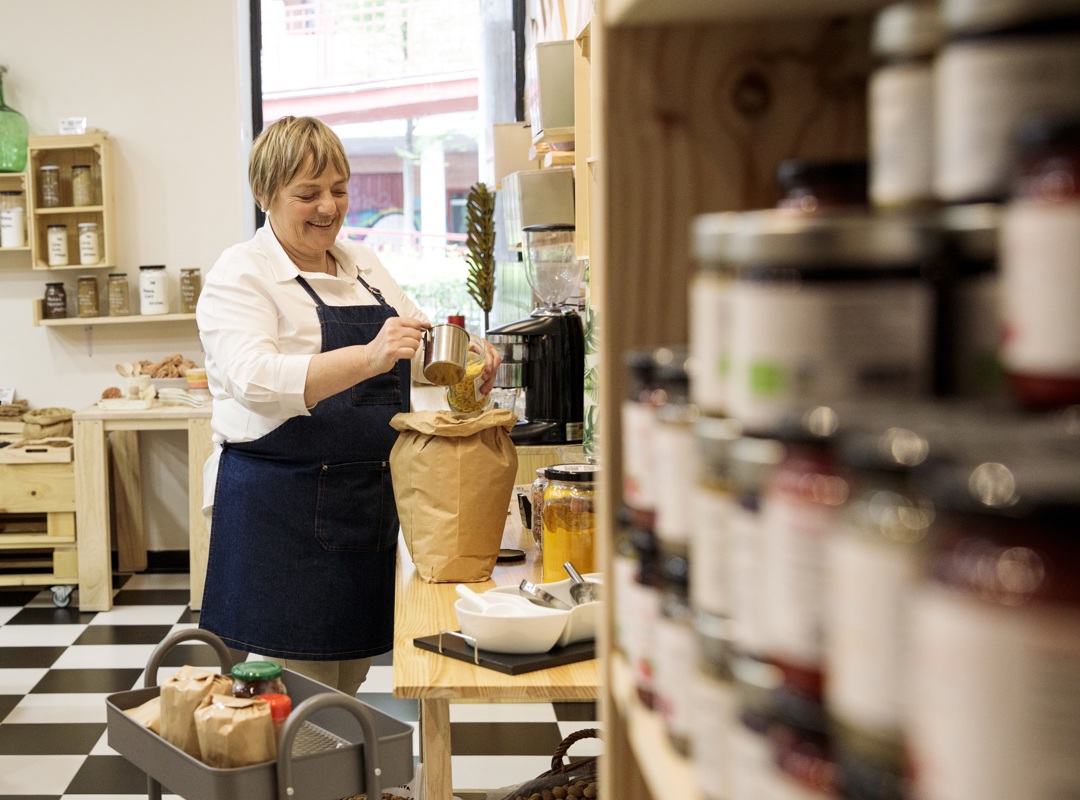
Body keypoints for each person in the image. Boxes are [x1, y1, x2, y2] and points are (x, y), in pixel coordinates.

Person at [196, 115, 501, 695]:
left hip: (363, 504)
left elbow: (415, 363)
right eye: (307, 194)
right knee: (291, 695)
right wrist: (367, 355)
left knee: (345, 682)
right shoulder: (242, 274)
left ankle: (341, 785)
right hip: (279, 512)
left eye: (338, 189)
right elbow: (252, 378)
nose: (328, 207)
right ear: (264, 195)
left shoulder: (364, 267)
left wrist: (468, 380)